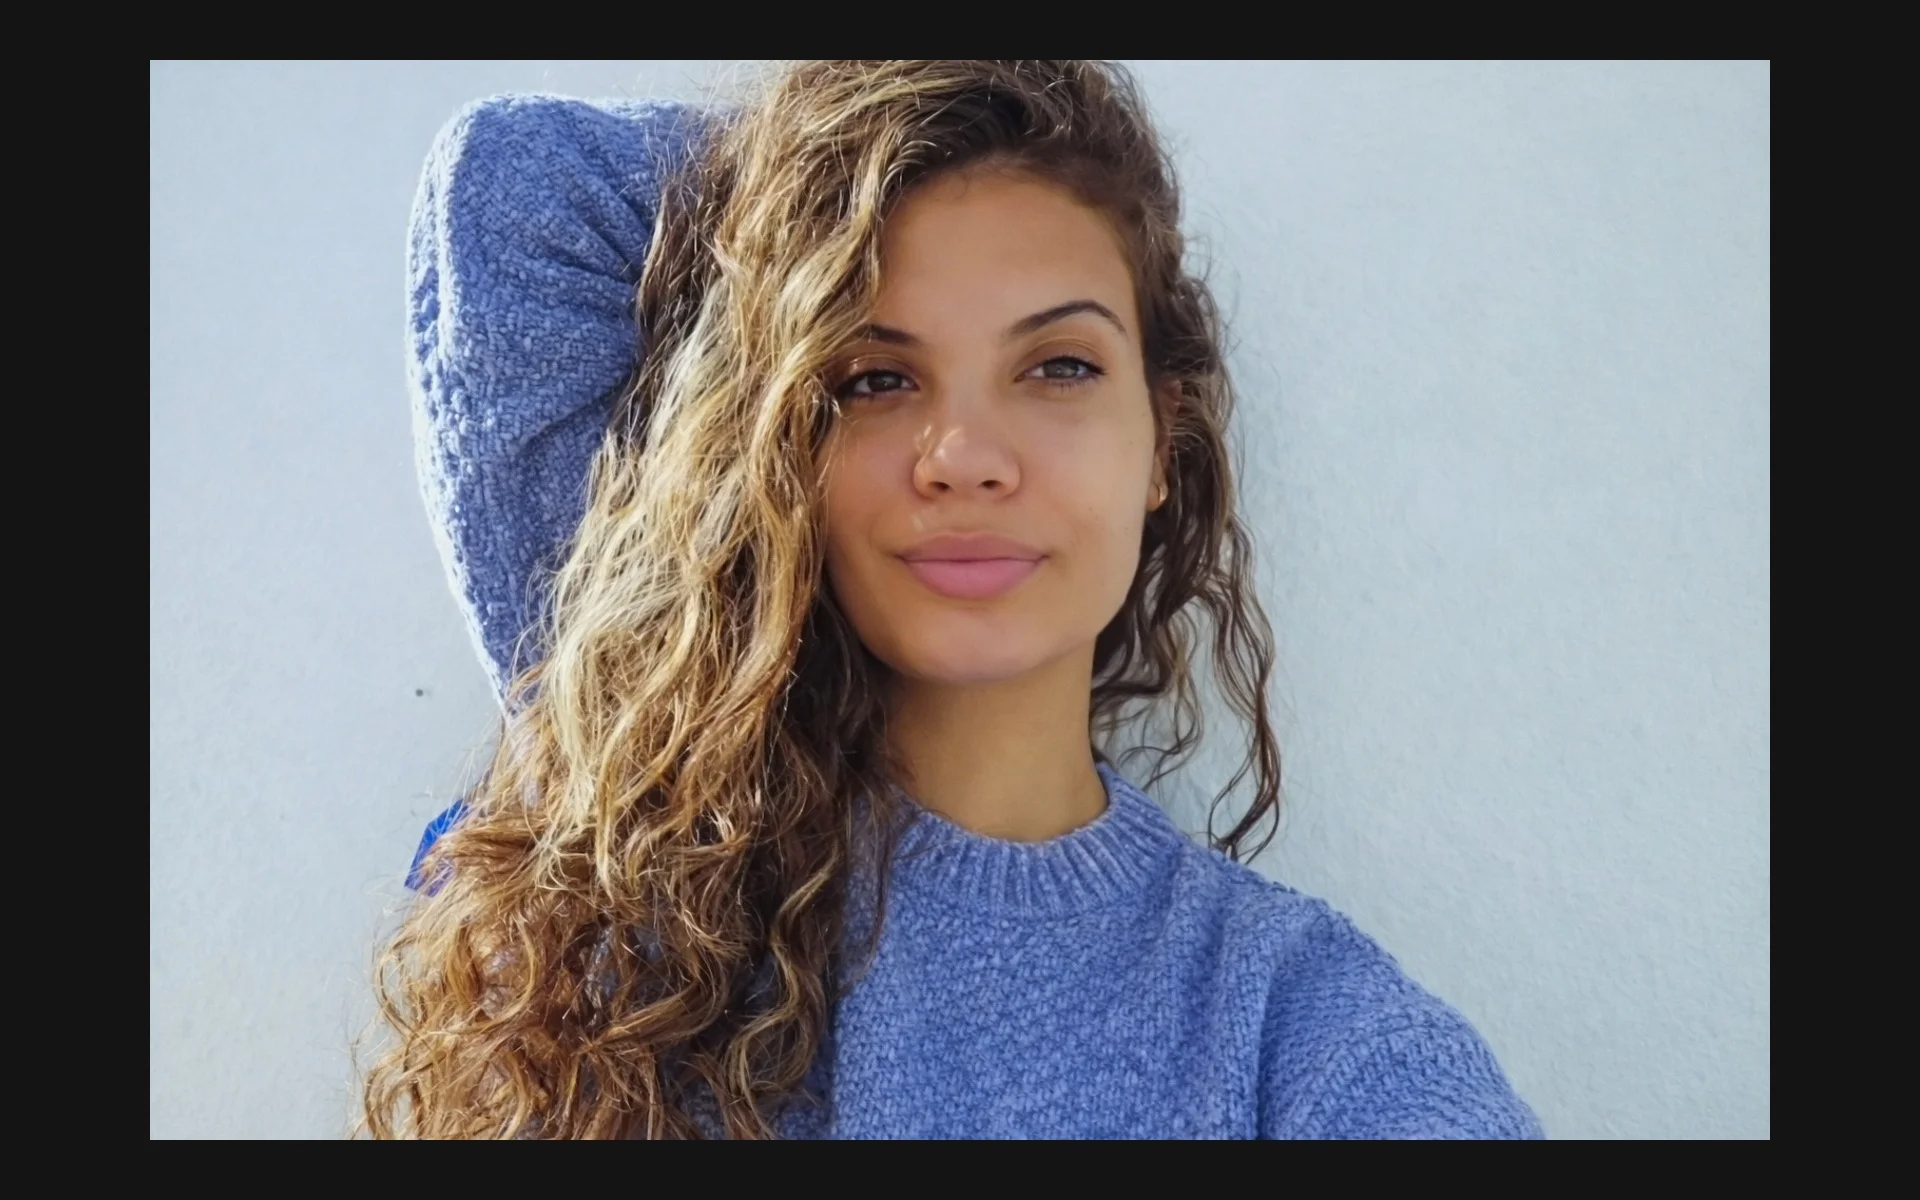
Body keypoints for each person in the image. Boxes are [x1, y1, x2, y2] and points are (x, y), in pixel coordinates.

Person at [365, 60, 1544, 1140]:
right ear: (780, 448)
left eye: (1059, 366)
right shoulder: (654, 870)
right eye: (876, 379)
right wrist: (827, 179)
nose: (965, 455)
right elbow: (522, 186)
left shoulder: (1307, 1039)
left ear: (1162, 441)